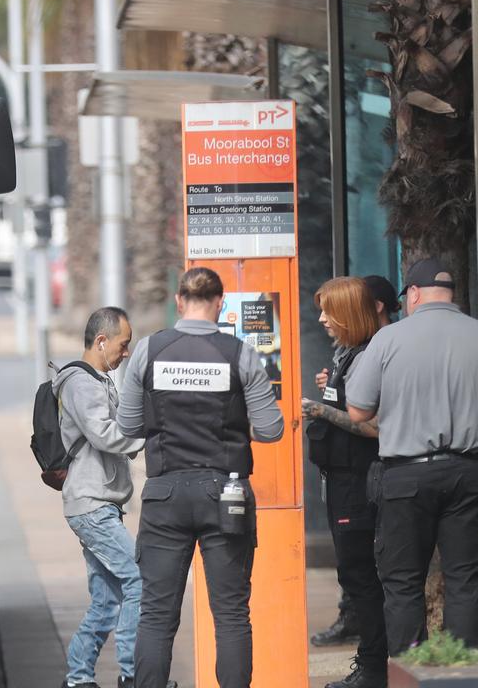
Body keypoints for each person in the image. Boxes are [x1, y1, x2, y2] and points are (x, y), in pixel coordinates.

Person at [118, 267, 285, 688]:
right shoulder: (239, 353)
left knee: (156, 613)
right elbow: (271, 430)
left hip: (165, 491)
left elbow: (127, 424)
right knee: (230, 612)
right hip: (225, 494)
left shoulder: (149, 350)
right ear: (220, 302)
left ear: (178, 301)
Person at [345, 258, 478, 655]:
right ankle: (464, 674)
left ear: (415, 294)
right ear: (451, 295)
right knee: (465, 580)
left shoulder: (389, 340)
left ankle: (411, 670)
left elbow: (357, 410)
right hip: (469, 472)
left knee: (403, 583)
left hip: (406, 478)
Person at [301, 277, 388, 688]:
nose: (321, 319)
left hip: (358, 483)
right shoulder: (349, 353)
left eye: (328, 311)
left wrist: (321, 411)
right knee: (353, 576)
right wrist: (331, 393)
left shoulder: (373, 353)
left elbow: (372, 425)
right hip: (339, 480)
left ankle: (373, 669)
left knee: (361, 576)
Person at [53, 306, 145, 688]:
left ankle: (78, 677)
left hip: (100, 502)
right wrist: (148, 436)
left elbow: (123, 428)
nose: (125, 353)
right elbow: (105, 434)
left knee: (107, 600)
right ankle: (132, 673)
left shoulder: (98, 380)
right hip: (92, 505)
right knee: (139, 579)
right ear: (101, 340)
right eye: (123, 345)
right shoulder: (81, 383)